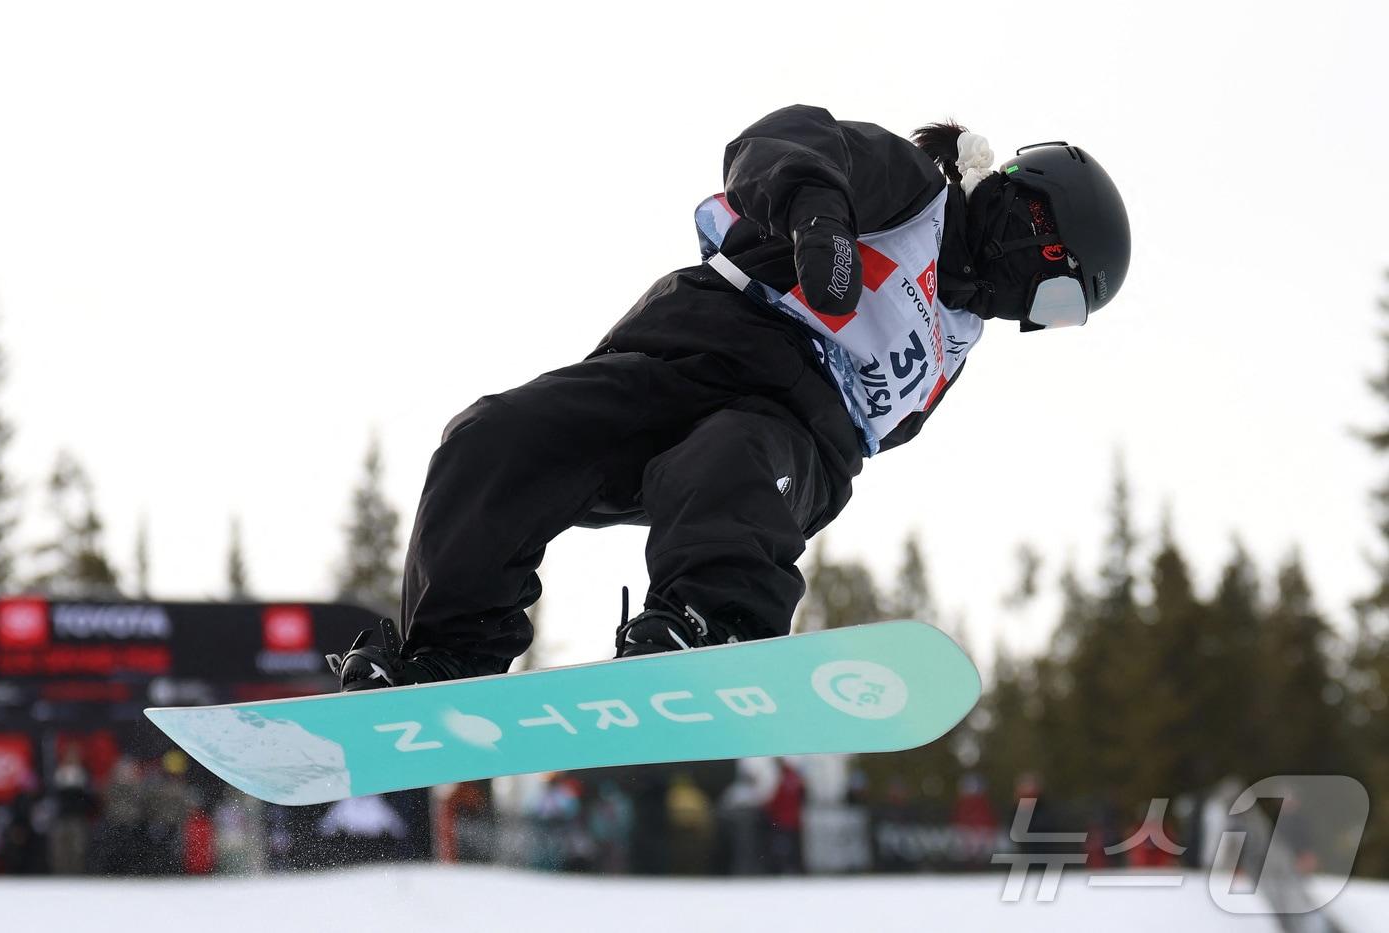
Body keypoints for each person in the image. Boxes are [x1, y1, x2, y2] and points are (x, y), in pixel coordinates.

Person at [328, 104, 1130, 689]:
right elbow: (784, 140)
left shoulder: (957, 341)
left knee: (727, 459)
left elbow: (858, 439)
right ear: (1032, 219)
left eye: (1054, 315)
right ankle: (447, 649)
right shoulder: (914, 191)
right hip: (685, 356)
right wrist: (820, 223)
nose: (1031, 310)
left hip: (791, 438)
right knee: (494, 438)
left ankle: (711, 617)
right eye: (1053, 289)